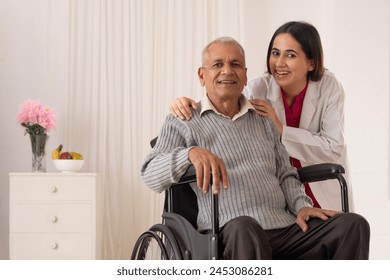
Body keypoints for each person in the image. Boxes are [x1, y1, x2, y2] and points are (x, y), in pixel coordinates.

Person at [141, 37, 370, 259]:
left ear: (245, 75)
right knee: (246, 226)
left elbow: (286, 173)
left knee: (353, 225)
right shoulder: (184, 119)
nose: (227, 71)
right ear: (202, 75)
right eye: (218, 64)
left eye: (236, 65)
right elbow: (150, 172)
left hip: (284, 228)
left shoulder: (263, 118)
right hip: (228, 231)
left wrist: (301, 206)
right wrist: (189, 154)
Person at [168, 21, 351, 211]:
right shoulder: (258, 89)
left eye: (290, 55)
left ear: (311, 62)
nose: (279, 63)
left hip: (321, 183)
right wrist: (184, 103)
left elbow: (333, 148)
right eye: (275, 53)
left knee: (346, 228)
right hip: (282, 189)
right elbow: (223, 102)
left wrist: (282, 131)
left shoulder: (329, 87)